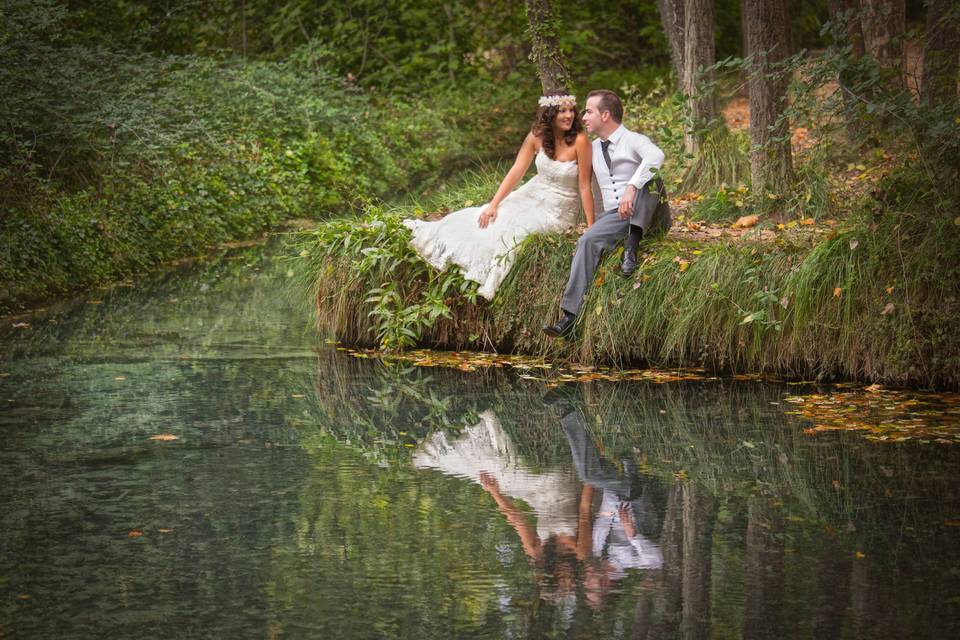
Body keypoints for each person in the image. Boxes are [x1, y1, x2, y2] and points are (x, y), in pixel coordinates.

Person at [403, 91, 595, 300]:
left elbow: (585, 185)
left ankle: (490, 278)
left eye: (571, 111)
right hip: (533, 192)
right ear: (549, 114)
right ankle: (444, 244)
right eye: (562, 111)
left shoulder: (580, 141)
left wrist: (592, 226)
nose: (569, 116)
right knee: (490, 217)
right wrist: (493, 204)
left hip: (559, 208)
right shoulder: (536, 136)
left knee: (517, 229)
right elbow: (516, 171)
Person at [543, 90, 668, 338]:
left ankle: (632, 246)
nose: (584, 116)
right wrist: (596, 225)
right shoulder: (593, 148)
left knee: (652, 179)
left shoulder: (633, 139)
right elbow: (596, 192)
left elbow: (657, 156)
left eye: (589, 111)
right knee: (587, 240)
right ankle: (569, 317)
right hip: (617, 218)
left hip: (651, 216)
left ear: (606, 114)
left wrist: (632, 188)